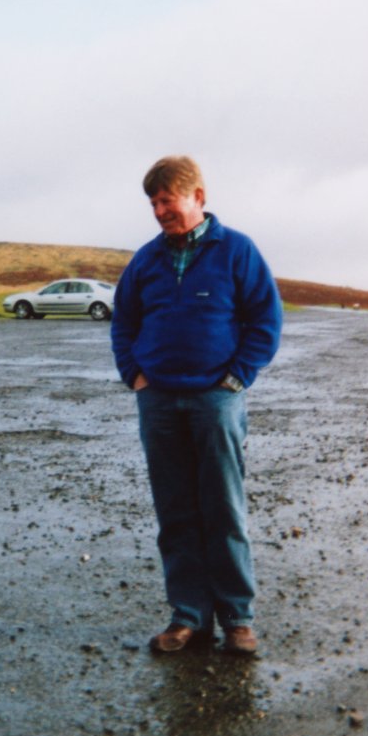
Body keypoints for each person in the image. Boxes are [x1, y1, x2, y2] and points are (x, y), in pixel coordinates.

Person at [111, 155, 283, 655]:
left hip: (216, 399)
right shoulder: (145, 259)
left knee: (223, 508)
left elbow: (264, 320)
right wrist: (135, 376)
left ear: (198, 197)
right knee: (176, 511)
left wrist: (237, 377)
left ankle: (236, 618)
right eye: (153, 202)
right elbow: (124, 323)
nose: (160, 210)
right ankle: (188, 616)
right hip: (159, 400)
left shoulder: (237, 251)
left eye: (168, 199)